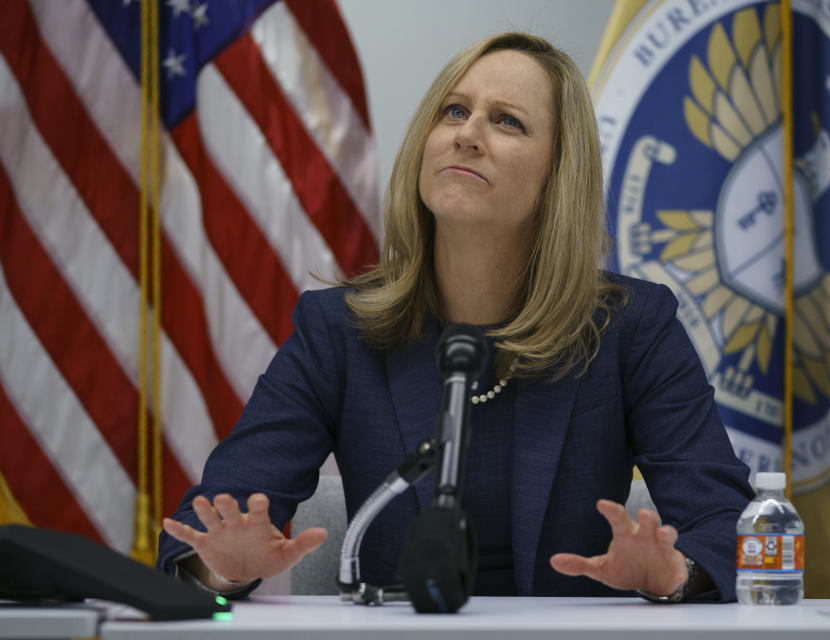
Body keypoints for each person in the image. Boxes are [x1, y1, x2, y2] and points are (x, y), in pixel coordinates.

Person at [158, 32, 753, 602]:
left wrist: (675, 574)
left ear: (558, 177)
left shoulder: (631, 329)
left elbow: (723, 523)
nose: (468, 135)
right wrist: (220, 567)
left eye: (507, 121)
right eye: (453, 111)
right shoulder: (337, 330)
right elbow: (208, 522)